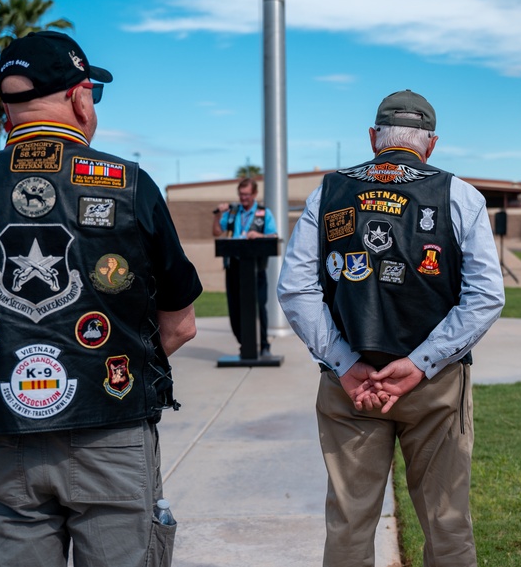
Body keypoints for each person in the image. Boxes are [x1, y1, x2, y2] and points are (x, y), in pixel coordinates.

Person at [0, 30, 203, 567]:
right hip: (111, 431)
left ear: (6, 111)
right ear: (79, 97)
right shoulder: (129, 182)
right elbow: (181, 324)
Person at [277, 89, 505, 567]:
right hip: (434, 386)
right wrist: (420, 364)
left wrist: (344, 362)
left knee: (349, 524)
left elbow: (297, 288)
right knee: (447, 524)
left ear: (373, 138)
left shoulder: (331, 190)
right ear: (432, 143)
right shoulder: (458, 194)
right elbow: (486, 295)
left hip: (351, 385)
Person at [213, 177, 277, 356]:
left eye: (247, 195)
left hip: (256, 268)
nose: (243, 198)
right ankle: (245, 344)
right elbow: (217, 232)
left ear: (255, 194)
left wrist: (258, 235)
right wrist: (219, 214)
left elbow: (274, 236)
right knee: (235, 308)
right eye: (241, 195)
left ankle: (264, 345)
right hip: (234, 267)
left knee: (260, 306)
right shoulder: (232, 213)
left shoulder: (264, 213)